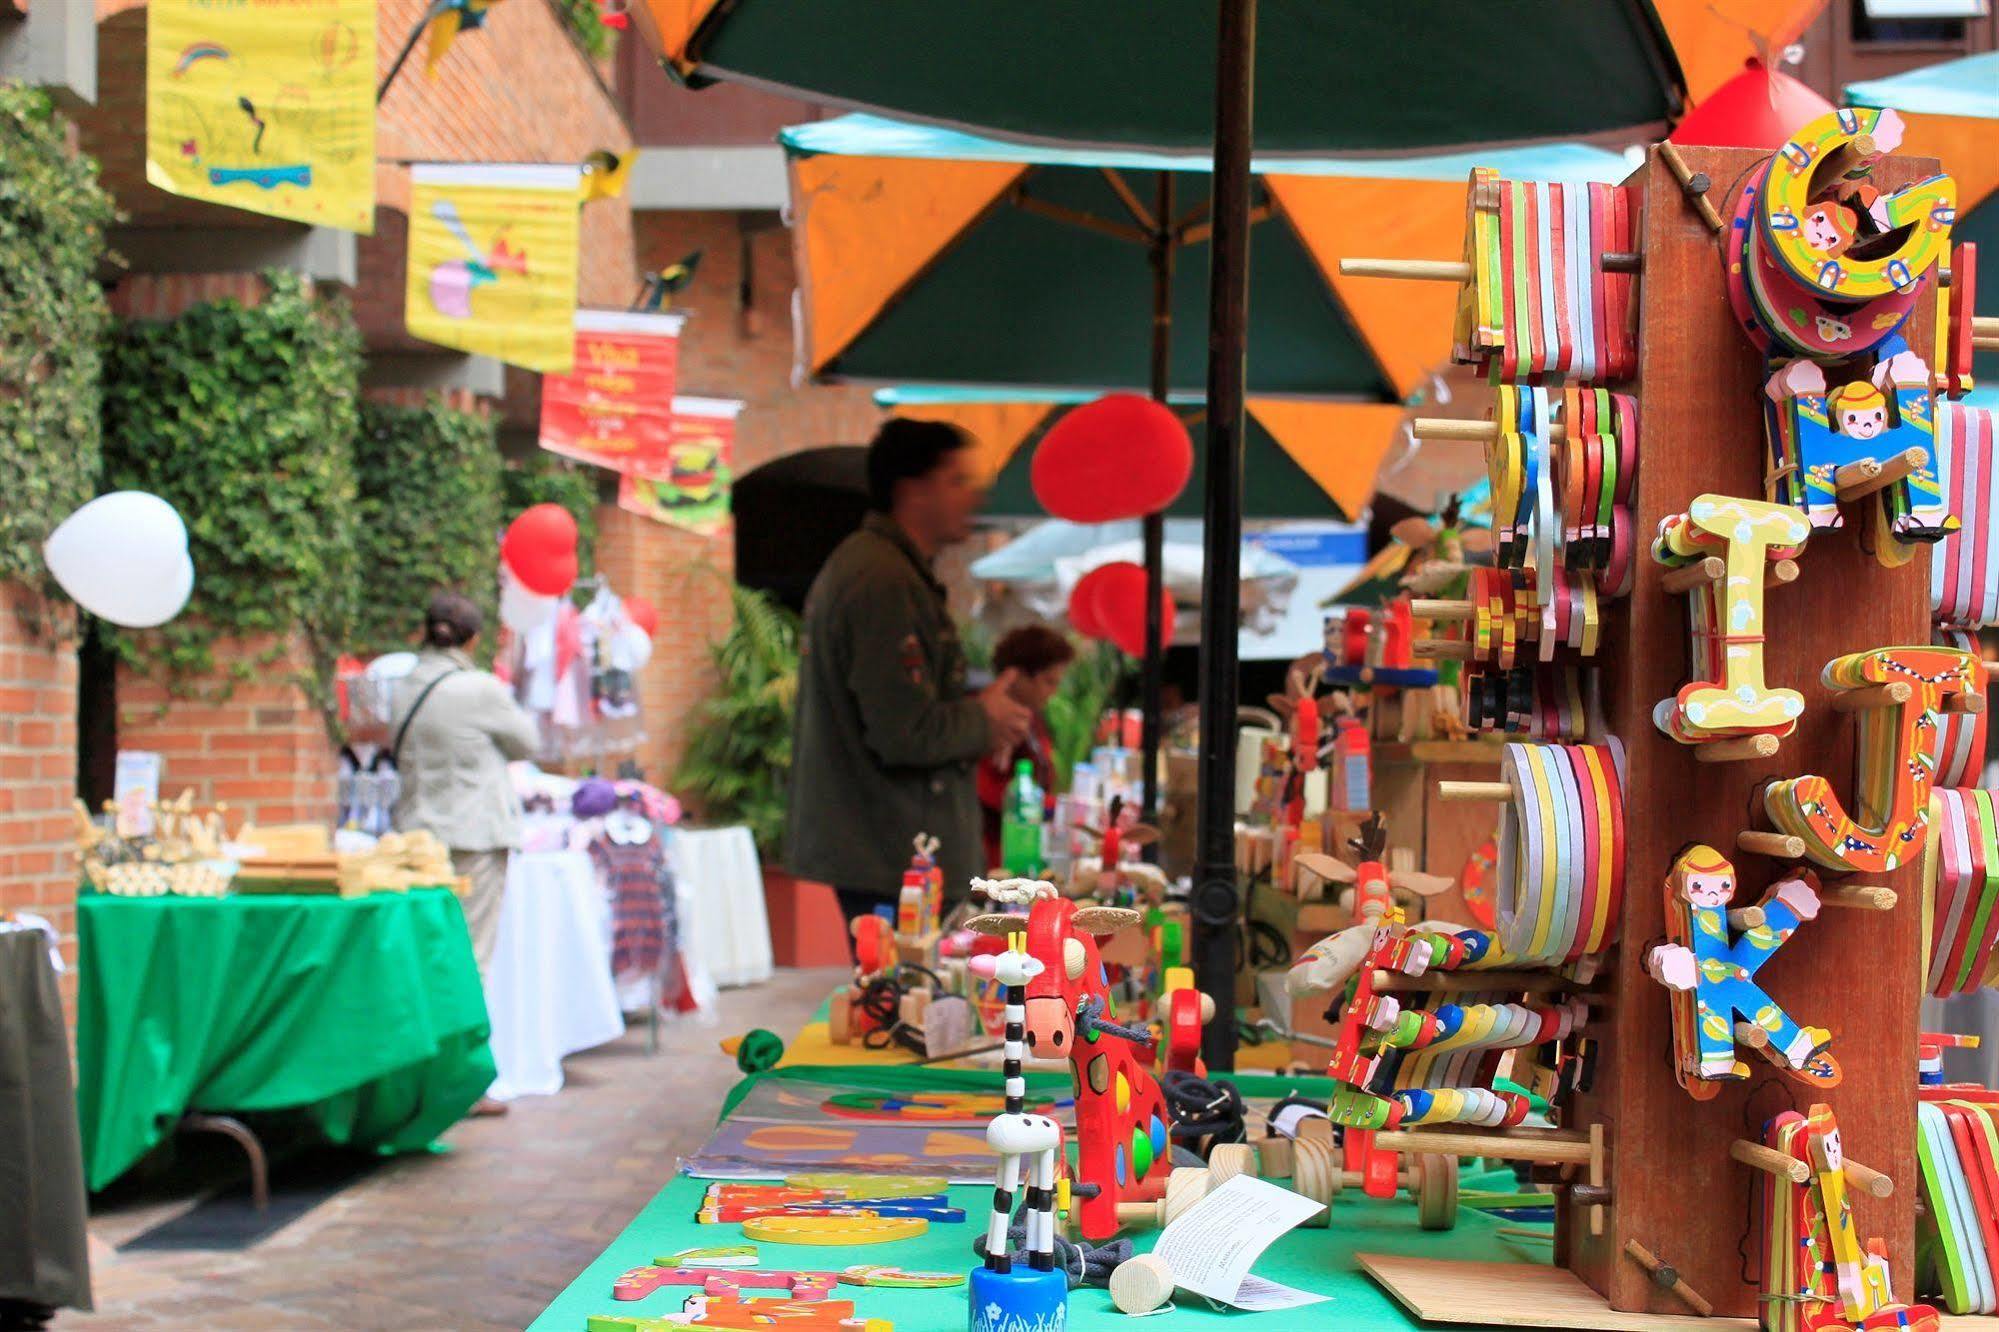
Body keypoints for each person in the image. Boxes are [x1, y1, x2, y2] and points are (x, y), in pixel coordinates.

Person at [788, 418, 1032, 927]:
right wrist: (982, 720)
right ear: (913, 490)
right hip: (893, 856)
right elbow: (903, 731)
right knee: (910, 999)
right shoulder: (881, 581)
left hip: (897, 850)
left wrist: (984, 715)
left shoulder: (888, 570)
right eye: (957, 481)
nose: (974, 497)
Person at [391, 591, 540, 980]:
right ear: (473, 640)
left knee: (425, 955)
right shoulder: (480, 688)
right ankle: (466, 1041)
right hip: (475, 837)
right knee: (471, 958)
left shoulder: (402, 687)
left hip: (416, 838)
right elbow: (528, 743)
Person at [975, 625, 1075, 869]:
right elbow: (986, 789)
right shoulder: (986, 719)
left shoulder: (1032, 719)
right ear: (1016, 675)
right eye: (1048, 681)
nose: (1053, 692)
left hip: (1021, 851)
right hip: (991, 859)